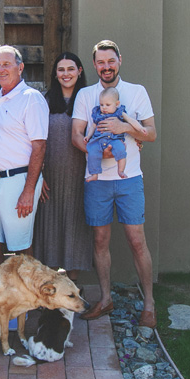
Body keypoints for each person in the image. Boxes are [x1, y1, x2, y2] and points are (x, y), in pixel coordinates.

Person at [72, 40, 158, 326]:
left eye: (111, 61)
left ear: (120, 60)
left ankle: (149, 303)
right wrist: (97, 152)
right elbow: (76, 134)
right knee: (100, 240)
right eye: (100, 62)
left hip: (129, 178)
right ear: (94, 65)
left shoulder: (137, 92)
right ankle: (106, 299)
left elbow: (152, 134)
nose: (106, 67)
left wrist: (124, 128)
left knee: (137, 240)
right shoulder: (85, 95)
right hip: (96, 180)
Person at [0, 45, 49, 270]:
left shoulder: (31, 98)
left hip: (17, 182)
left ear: (20, 68)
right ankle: (4, 297)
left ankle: (29, 302)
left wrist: (29, 190)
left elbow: (39, 146)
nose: (0, 69)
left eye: (6, 64)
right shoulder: (0, 98)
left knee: (22, 248)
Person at [33, 52, 93, 287]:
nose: (66, 74)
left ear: (79, 71)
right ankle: (48, 290)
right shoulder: (44, 102)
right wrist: (38, 175)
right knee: (48, 229)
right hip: (49, 177)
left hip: (80, 176)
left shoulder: (88, 100)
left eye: (71, 69)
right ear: (55, 74)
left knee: (75, 227)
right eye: (61, 69)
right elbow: (34, 140)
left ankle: (71, 289)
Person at [84, 86, 147, 181]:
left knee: (121, 149)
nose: (104, 107)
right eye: (101, 104)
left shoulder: (119, 113)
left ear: (117, 104)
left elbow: (131, 121)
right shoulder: (97, 113)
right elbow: (93, 126)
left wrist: (141, 128)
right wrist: (88, 136)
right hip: (98, 140)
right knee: (92, 152)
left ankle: (121, 170)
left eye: (108, 105)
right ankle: (94, 174)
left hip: (114, 139)